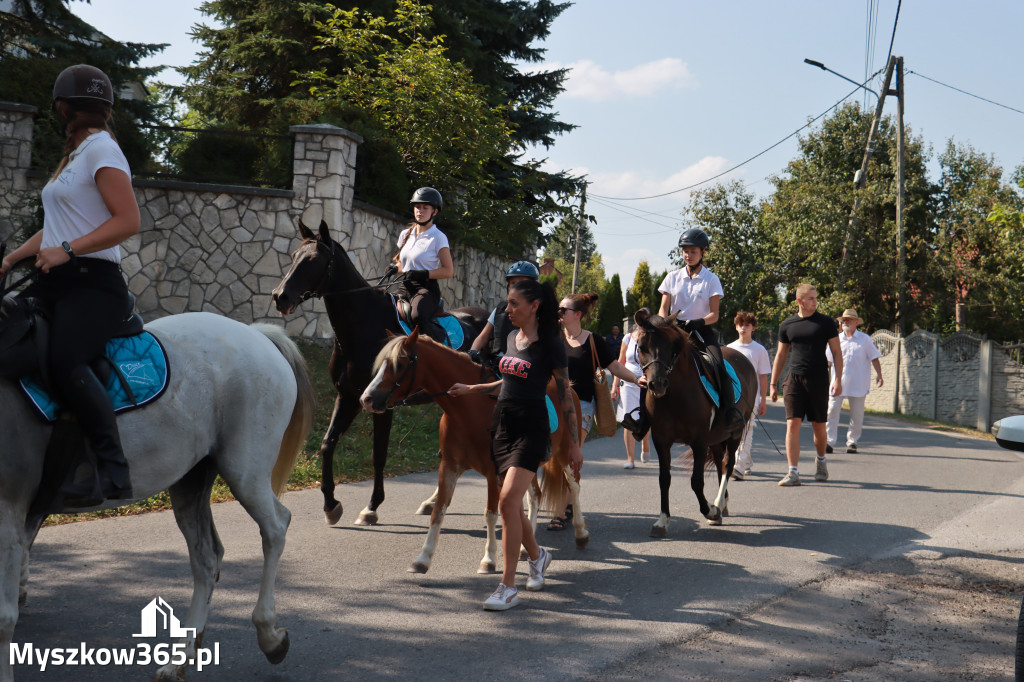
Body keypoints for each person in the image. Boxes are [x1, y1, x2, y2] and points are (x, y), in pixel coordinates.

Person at [0, 64, 140, 505]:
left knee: (65, 360)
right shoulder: (76, 158)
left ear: (63, 110)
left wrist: (69, 250)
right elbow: (58, 227)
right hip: (56, 280)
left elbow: (128, 221)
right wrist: (10, 258)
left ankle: (108, 468)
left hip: (93, 285)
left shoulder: (103, 152)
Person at [447, 279, 582, 611]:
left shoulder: (551, 345)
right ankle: (538, 556)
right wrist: (471, 389)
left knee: (507, 501)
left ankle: (507, 586)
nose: (507, 310)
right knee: (512, 505)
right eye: (507, 304)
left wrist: (575, 444)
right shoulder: (510, 337)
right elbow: (506, 381)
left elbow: (564, 394)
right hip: (502, 427)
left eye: (513, 304)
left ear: (534, 306)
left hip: (532, 428)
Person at [624, 228, 744, 439]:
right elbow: (663, 308)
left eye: (693, 251)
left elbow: (715, 314)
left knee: (718, 364)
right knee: (653, 367)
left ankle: (729, 413)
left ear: (703, 252)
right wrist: (664, 323)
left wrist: (698, 321)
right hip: (673, 331)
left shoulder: (711, 279)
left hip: (701, 331)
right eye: (685, 251)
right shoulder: (672, 277)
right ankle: (642, 419)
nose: (688, 255)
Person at [547, 292, 640, 527]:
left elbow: (614, 366)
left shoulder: (593, 340)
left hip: (583, 406)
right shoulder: (553, 339)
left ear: (578, 314)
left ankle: (559, 512)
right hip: (553, 405)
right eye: (558, 310)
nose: (559, 314)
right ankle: (568, 502)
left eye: (563, 311)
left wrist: (636, 379)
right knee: (554, 458)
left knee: (569, 454)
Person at [769, 284, 843, 486]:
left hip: (818, 379)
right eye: (810, 298)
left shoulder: (826, 323)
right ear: (799, 301)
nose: (815, 301)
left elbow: (837, 352)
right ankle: (793, 472)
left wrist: (838, 379)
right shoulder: (787, 325)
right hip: (794, 379)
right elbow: (781, 355)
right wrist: (773, 383)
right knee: (792, 423)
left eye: (816, 298)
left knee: (819, 427)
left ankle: (821, 460)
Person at [394, 187, 453, 344]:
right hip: (404, 286)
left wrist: (424, 273)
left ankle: (439, 346)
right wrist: (394, 268)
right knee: (383, 306)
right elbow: (402, 265)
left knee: (417, 316)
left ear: (434, 212)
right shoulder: (405, 234)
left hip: (426, 288)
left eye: (425, 207)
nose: (420, 211)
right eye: (417, 207)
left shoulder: (438, 237)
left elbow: (448, 271)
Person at [825, 308, 883, 454]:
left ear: (856, 322)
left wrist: (879, 375)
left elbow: (874, 357)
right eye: (844, 320)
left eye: (849, 320)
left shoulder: (865, 339)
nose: (845, 322)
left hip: (858, 383)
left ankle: (852, 442)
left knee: (856, 414)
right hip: (837, 383)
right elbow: (828, 362)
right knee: (831, 411)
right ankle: (829, 442)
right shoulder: (835, 339)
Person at [467, 260, 540, 369]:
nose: (517, 287)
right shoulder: (501, 308)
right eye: (513, 283)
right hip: (497, 365)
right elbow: (483, 337)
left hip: (524, 369)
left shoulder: (540, 311)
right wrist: (472, 353)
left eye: (522, 282)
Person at [726, 311, 772, 480]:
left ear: (753, 327)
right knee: (732, 430)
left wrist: (763, 400)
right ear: (736, 327)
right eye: (740, 325)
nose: (743, 328)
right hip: (732, 397)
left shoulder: (759, 350)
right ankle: (745, 461)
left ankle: (738, 466)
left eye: (747, 325)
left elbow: (763, 376)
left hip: (752, 397)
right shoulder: (729, 348)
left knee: (747, 429)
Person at [611, 323, 651, 468]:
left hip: (645, 384)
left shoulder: (651, 338)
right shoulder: (627, 338)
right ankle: (630, 459)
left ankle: (645, 443)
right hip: (627, 383)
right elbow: (620, 362)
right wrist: (614, 385)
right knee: (628, 421)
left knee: (645, 418)